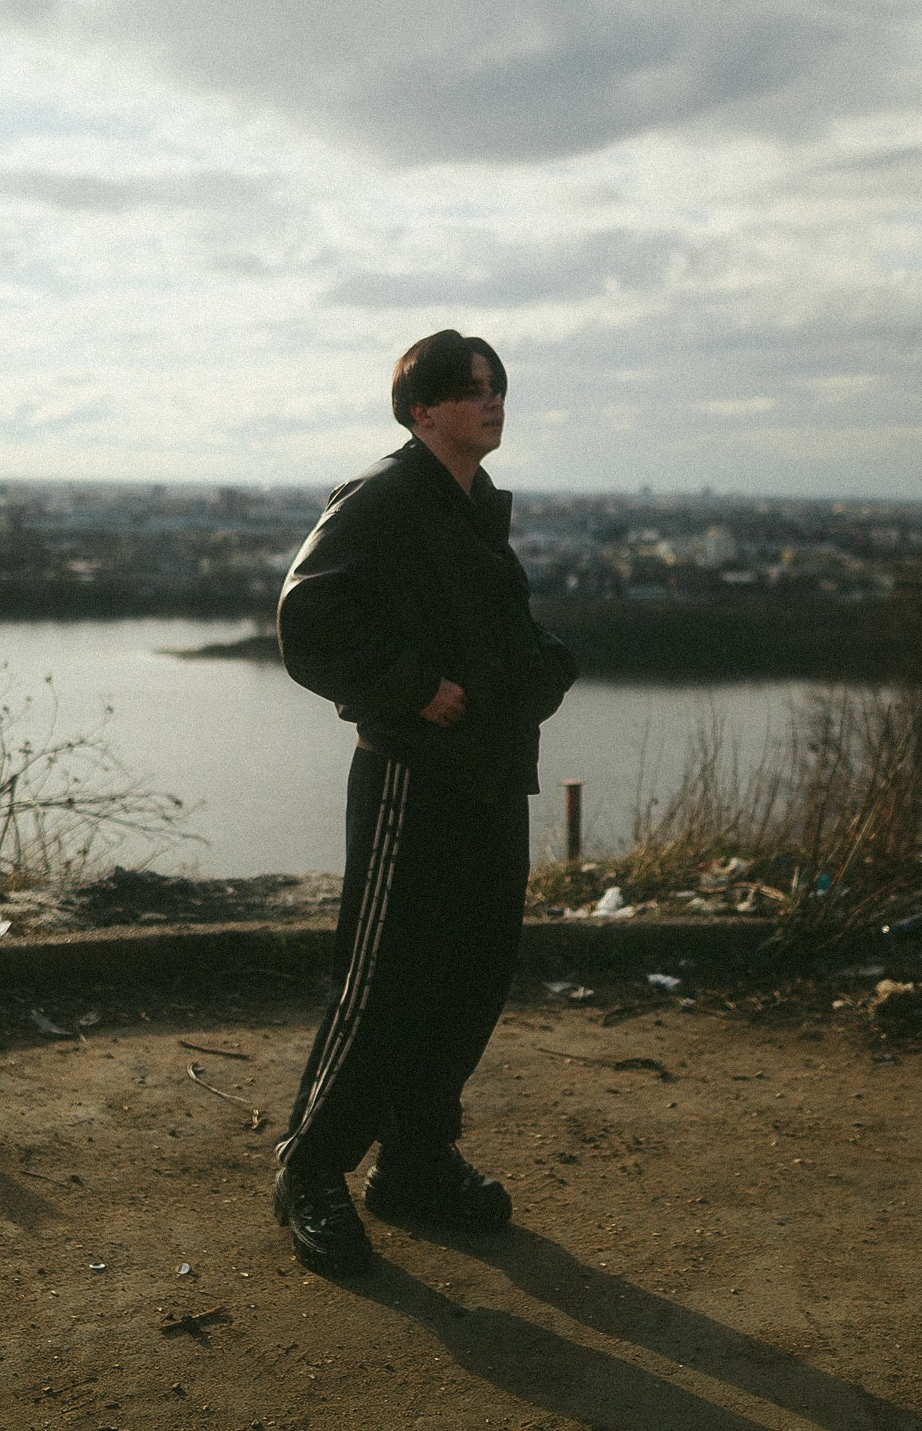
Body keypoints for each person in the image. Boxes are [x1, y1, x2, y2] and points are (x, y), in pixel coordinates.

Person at [269, 329, 580, 1277]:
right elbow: (306, 616)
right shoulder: (384, 496)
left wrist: (538, 674)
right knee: (384, 981)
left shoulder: (474, 504)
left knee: (471, 972)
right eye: (472, 389)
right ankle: (310, 1168)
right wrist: (410, 687)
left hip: (489, 773)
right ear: (424, 409)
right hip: (413, 773)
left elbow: (488, 628)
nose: (493, 402)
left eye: (497, 386)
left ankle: (414, 1158)